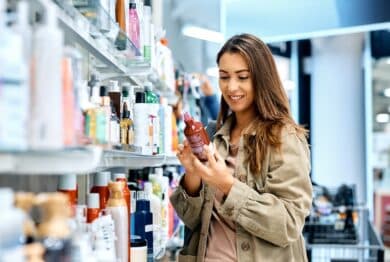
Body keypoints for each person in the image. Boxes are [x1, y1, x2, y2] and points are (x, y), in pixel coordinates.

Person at [170, 33, 313, 262]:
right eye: (224, 77)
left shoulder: (284, 138)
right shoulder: (214, 137)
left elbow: (288, 224)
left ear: (261, 78)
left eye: (243, 77)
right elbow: (194, 222)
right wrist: (193, 174)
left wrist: (225, 183)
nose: (231, 87)